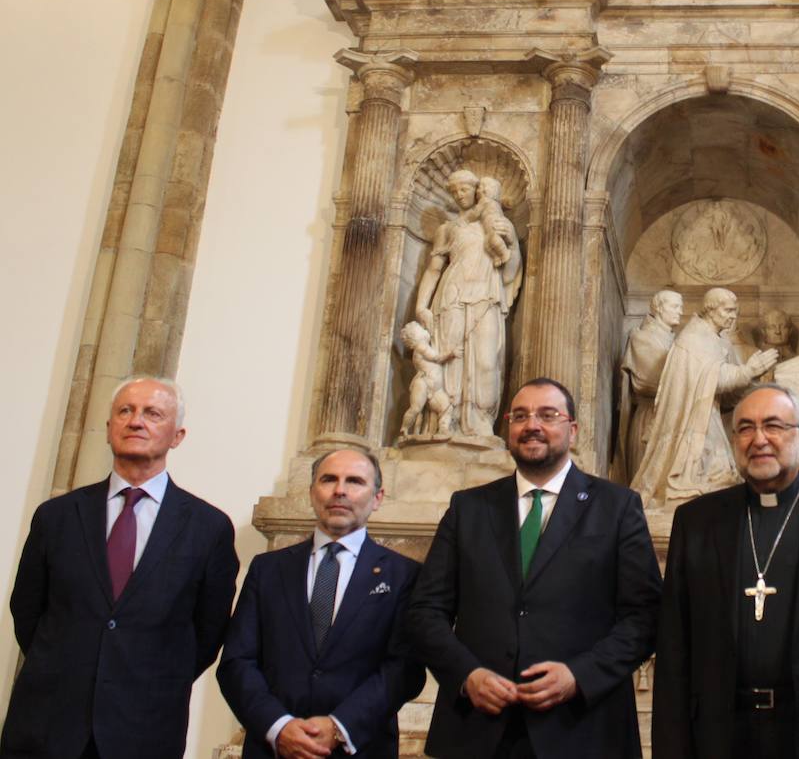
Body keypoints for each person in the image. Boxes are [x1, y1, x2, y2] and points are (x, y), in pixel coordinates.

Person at [406, 378, 662, 758]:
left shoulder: (617, 507)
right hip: (478, 729)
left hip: (583, 728)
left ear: (572, 430)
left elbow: (645, 616)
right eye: (520, 416)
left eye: (548, 415)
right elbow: (425, 611)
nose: (532, 426)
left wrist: (579, 675)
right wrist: (466, 675)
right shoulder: (469, 508)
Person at [1, 377, 238, 759]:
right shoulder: (57, 516)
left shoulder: (208, 528)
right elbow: (27, 611)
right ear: (110, 428)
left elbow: (207, 633)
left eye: (152, 413)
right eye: (124, 411)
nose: (135, 421)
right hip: (49, 724)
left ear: (177, 435)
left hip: (145, 728)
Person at [653, 383, 799, 759]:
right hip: (720, 737)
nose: (759, 439)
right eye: (745, 428)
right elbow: (673, 651)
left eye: (774, 426)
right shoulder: (696, 522)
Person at [218, 448, 425, 759]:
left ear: (378, 498)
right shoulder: (267, 569)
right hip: (273, 747)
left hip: (361, 747)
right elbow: (237, 662)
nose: (339, 490)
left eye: (354, 481)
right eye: (329, 479)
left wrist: (339, 726)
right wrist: (279, 726)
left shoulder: (404, 575)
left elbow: (404, 669)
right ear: (312, 491)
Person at [633, 287, 777, 505]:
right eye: (728, 310)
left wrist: (753, 377)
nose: (733, 316)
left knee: (721, 474)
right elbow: (714, 377)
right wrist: (748, 371)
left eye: (735, 311)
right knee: (713, 473)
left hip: (708, 414)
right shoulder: (693, 338)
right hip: (691, 421)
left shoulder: (716, 339)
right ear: (711, 310)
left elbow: (725, 391)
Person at [414, 168, 522, 438]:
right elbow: (434, 269)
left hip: (487, 296)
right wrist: (421, 306)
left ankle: (481, 425)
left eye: (463, 189)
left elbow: (511, 271)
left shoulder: (497, 222)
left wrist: (512, 245)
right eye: (454, 191)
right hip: (451, 298)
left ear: (478, 190)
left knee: (487, 360)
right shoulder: (448, 229)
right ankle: (445, 424)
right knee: (451, 361)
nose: (459, 195)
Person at [618, 289, 684, 483]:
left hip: (671, 419)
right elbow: (648, 381)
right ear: (658, 308)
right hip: (649, 417)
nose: (680, 311)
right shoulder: (642, 338)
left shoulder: (674, 340)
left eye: (681, 306)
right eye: (675, 306)